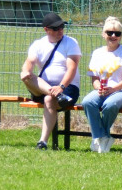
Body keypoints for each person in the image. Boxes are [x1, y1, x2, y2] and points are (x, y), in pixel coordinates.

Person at [20, 12, 81, 150]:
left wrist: (61, 87)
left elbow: (72, 68)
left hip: (68, 88)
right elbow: (29, 62)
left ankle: (43, 142)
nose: (60, 30)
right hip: (44, 89)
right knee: (25, 75)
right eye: (56, 28)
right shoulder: (38, 44)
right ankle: (57, 96)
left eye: (61, 27)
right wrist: (26, 71)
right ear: (46, 30)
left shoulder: (71, 42)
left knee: (49, 99)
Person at [82, 16, 122, 153]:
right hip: (103, 90)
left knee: (110, 105)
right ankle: (102, 137)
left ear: (121, 36)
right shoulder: (97, 53)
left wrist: (113, 89)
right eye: (109, 33)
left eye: (117, 34)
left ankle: (100, 137)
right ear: (103, 34)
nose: (113, 36)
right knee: (88, 101)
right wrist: (98, 88)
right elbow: (94, 77)